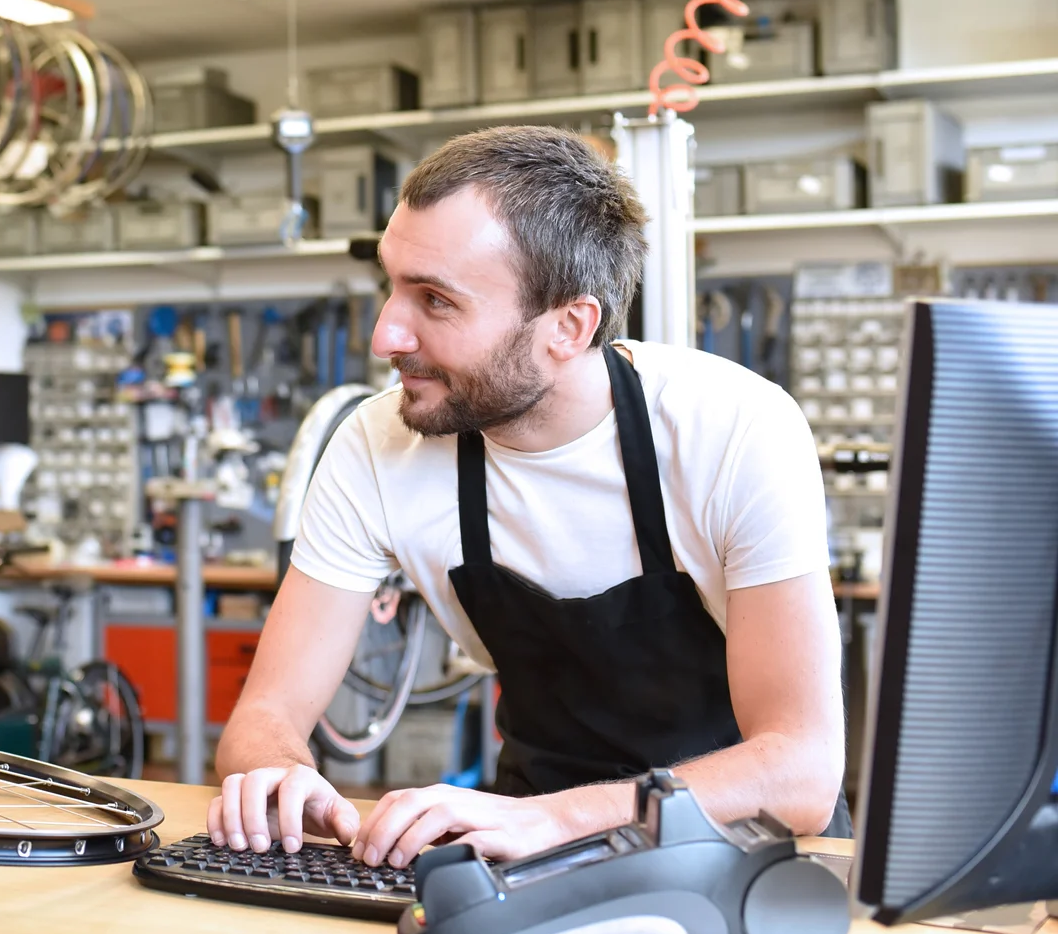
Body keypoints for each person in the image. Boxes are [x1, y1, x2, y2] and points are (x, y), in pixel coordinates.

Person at [210, 125, 845, 870]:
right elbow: (264, 714)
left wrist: (558, 821)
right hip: (517, 842)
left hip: (741, 852)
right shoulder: (379, 446)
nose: (386, 333)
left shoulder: (733, 428)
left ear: (568, 327)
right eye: (391, 285)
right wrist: (280, 772)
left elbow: (800, 771)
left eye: (436, 301)